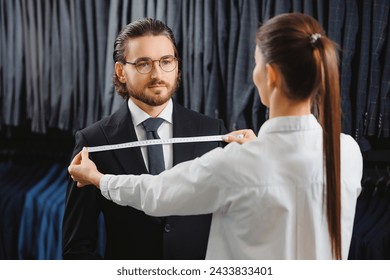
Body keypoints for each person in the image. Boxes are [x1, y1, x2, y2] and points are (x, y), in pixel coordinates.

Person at [68, 13, 363, 259]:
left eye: (256, 63)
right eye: (144, 63)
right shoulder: (348, 152)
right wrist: (257, 153)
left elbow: (156, 193)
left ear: (270, 76)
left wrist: (98, 179)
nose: (157, 72)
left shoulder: (229, 150)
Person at [62, 18, 227, 260]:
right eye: (143, 64)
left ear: (177, 65)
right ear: (121, 71)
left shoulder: (213, 132)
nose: (157, 74)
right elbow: (77, 247)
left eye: (166, 62)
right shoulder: (94, 141)